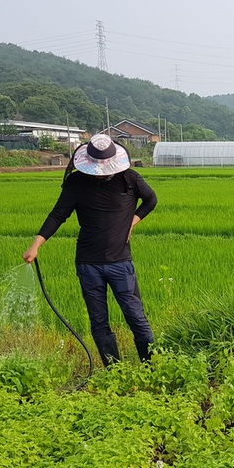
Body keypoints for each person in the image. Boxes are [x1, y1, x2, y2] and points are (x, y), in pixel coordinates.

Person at [23, 133, 157, 366]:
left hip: (120, 263)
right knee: (98, 321)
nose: (103, 172)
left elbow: (151, 200)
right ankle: (114, 372)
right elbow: (58, 215)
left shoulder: (129, 178)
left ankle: (152, 367)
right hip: (88, 264)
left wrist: (132, 222)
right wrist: (35, 245)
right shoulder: (77, 182)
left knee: (135, 317)